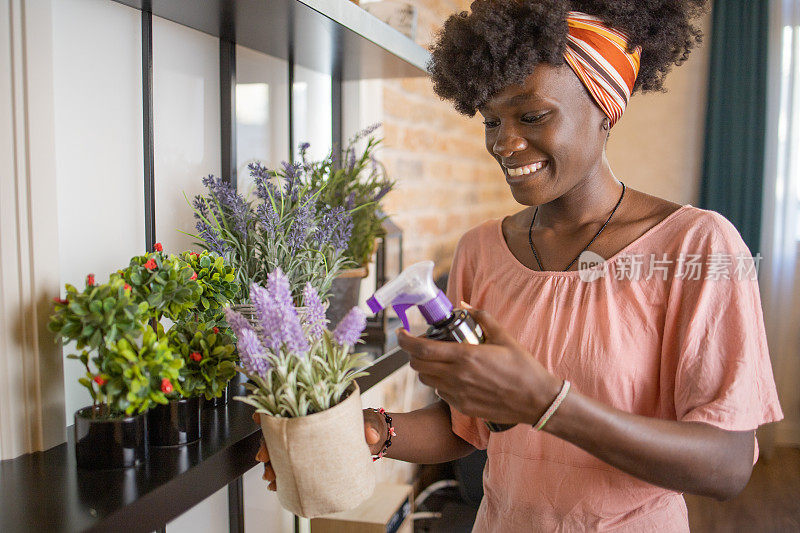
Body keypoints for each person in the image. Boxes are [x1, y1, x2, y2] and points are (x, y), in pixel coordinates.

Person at [255, 1, 784, 530]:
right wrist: (374, 431)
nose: (504, 143)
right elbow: (470, 427)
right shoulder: (481, 251)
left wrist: (548, 402)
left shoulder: (695, 246)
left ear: (605, 108)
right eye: (491, 120)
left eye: (532, 116)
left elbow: (727, 464)